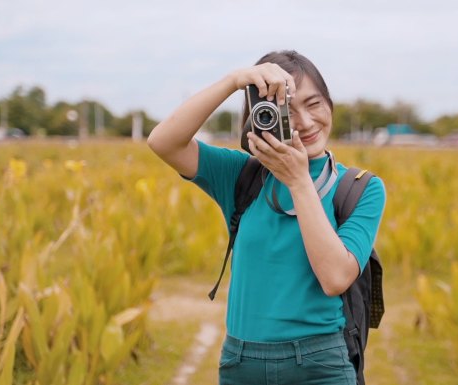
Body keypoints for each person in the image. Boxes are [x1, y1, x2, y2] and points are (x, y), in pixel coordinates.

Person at [147, 50, 385, 385]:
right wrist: (234, 81)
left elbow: (334, 278)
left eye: (314, 104)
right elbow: (163, 142)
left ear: (330, 104)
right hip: (241, 361)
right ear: (261, 116)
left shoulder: (360, 189)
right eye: (287, 109)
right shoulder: (241, 176)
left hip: (320, 364)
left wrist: (299, 180)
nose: (304, 121)